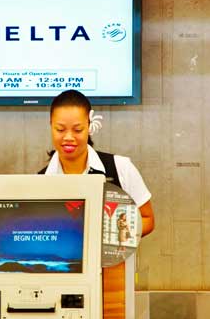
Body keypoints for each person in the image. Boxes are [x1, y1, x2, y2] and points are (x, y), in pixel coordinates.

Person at [39, 90, 155, 236]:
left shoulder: (120, 167)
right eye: (60, 129)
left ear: (89, 126)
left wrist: (112, 236)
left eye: (77, 130)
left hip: (114, 259)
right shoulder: (41, 180)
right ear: (51, 126)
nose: (68, 137)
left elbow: (147, 219)